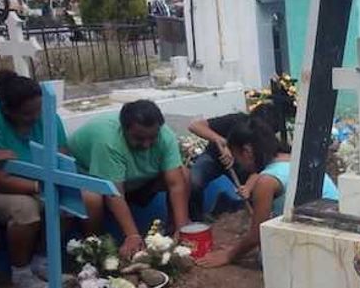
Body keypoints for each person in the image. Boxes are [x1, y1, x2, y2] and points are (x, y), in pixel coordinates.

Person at [196, 119, 337, 267]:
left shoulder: (266, 181)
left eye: (237, 158)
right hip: (333, 227)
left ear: (247, 152)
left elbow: (257, 234)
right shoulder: (294, 159)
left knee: (266, 258)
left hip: (319, 241)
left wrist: (228, 255)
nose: (240, 165)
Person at [0, 72, 70, 288]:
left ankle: (43, 261)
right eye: (27, 113)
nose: (36, 116)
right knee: (25, 208)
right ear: (6, 109)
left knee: (68, 201)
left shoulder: (48, 117)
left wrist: (53, 184)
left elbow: (61, 155)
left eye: (39, 109)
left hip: (38, 181)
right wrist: (39, 188)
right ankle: (21, 274)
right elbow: (0, 180)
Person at [68, 101, 189, 258]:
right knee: (91, 197)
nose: (146, 145)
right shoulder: (108, 141)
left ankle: (174, 231)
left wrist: (183, 227)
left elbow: (176, 184)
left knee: (184, 174)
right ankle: (95, 245)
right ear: (124, 129)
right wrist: (133, 236)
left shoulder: (165, 136)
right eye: (139, 138)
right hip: (96, 178)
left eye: (152, 137)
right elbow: (114, 193)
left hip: (135, 179)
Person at [186, 103, 282, 222]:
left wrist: (248, 187)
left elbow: (260, 167)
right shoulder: (235, 120)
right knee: (193, 181)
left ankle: (253, 220)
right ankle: (196, 220)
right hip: (215, 158)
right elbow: (195, 126)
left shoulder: (266, 140)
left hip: (244, 164)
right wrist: (222, 142)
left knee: (256, 192)